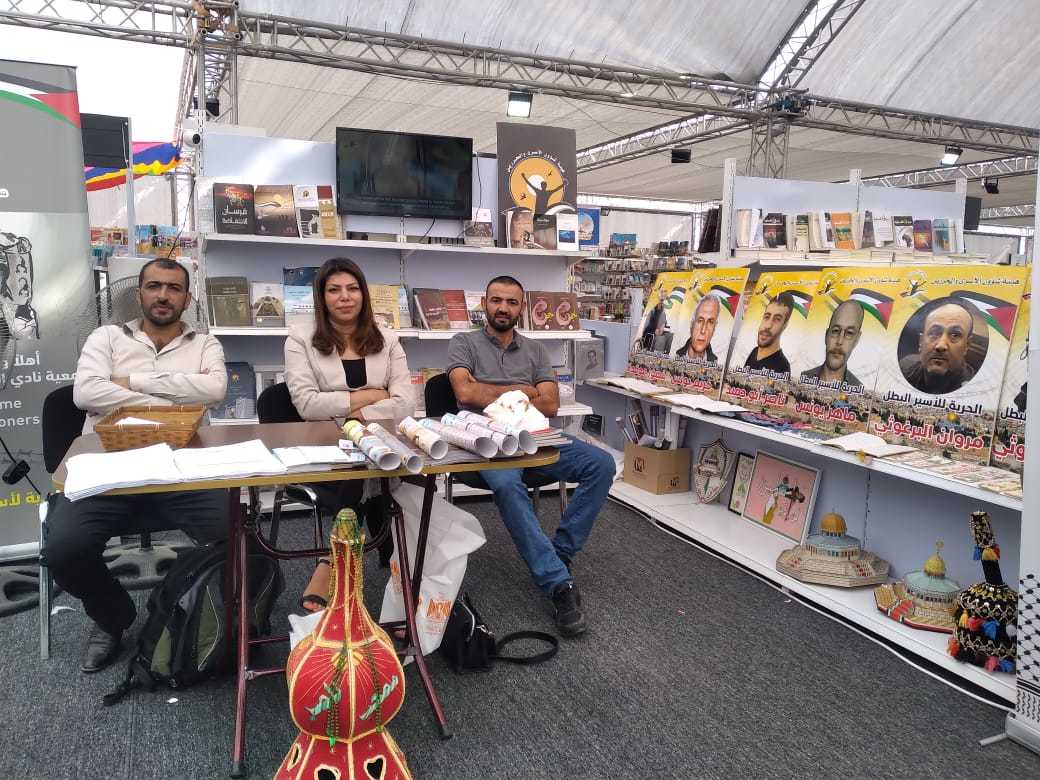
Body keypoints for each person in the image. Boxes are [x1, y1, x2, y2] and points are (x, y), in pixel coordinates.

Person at [46, 259, 228, 674]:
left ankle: (197, 610)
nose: (163, 295)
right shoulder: (106, 337)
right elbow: (85, 393)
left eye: (174, 288)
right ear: (139, 292)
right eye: (154, 286)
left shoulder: (205, 344)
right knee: (64, 550)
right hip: (108, 467)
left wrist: (132, 382)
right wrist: (173, 400)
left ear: (187, 298)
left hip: (182, 467)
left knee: (234, 533)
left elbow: (215, 389)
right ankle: (113, 616)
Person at [447, 275, 615, 637]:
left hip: (535, 437)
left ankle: (559, 553)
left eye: (511, 302)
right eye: (496, 300)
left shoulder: (535, 350)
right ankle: (558, 584)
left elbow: (551, 405)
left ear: (521, 308)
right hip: (486, 443)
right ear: (484, 304)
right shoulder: (464, 343)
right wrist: (524, 390)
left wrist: (490, 390)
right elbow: (465, 394)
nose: (503, 308)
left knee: (602, 464)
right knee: (508, 485)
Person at [284, 257, 414, 611]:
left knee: (378, 463)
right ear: (321, 296)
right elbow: (307, 405)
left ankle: (334, 558)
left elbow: (406, 403)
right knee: (366, 470)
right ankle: (389, 565)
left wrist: (355, 413)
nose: (345, 297)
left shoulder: (387, 338)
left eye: (353, 288)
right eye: (334, 290)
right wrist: (373, 395)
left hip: (381, 439)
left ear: (364, 294)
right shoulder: (300, 338)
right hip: (326, 444)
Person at [898, 301, 975, 394]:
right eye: (934, 333)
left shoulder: (974, 389)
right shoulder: (904, 367)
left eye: (955, 335)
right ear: (921, 341)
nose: (941, 346)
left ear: (967, 345)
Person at [800, 300, 864, 387]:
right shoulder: (801, 378)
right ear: (826, 335)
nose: (839, 341)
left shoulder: (858, 390)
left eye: (849, 333)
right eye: (835, 331)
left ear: (856, 340)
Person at [744, 293, 794, 374]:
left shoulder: (782, 367)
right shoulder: (754, 352)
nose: (768, 326)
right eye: (767, 317)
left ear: (785, 325)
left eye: (777, 319)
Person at [677, 295, 719, 362]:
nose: (703, 330)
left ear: (714, 328)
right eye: (700, 320)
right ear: (692, 324)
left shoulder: (717, 363)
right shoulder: (675, 354)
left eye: (710, 322)